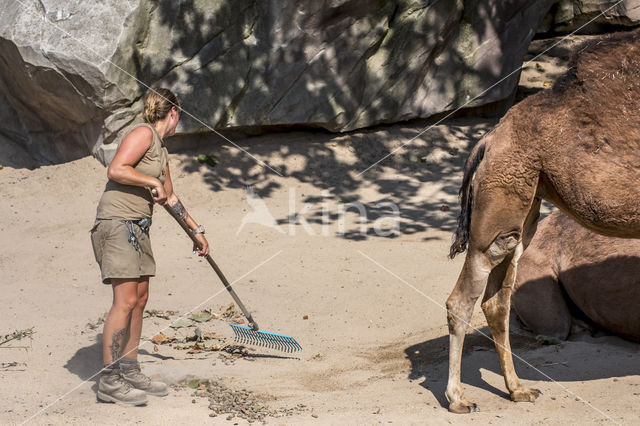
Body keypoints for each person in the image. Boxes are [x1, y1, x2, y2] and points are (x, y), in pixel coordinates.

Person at [90, 88, 210, 405]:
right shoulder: (143, 133)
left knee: (140, 298)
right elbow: (115, 168)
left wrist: (195, 231)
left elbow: (169, 197)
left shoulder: (161, 151)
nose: (178, 121)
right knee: (126, 300)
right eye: (178, 116)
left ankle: (129, 369)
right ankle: (109, 380)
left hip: (138, 229)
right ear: (172, 112)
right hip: (117, 223)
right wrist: (151, 182)